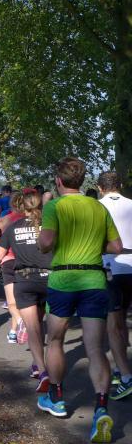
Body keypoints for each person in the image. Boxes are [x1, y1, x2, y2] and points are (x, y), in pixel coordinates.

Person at [38, 157, 122, 444]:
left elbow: (46, 243)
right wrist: (93, 243)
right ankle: (101, 410)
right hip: (94, 280)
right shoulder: (98, 207)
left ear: (58, 181)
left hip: (63, 280)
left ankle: (57, 398)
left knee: (56, 340)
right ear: (82, 180)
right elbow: (116, 246)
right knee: (95, 348)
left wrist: (47, 241)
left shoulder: (55, 206)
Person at [0, 190, 52, 392]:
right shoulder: (49, 225)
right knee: (44, 324)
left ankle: (41, 370)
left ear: (22, 207)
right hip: (49, 279)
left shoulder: (13, 227)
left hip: (25, 281)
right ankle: (39, 364)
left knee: (33, 327)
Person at [97, 171, 132, 400]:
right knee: (122, 323)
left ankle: (125, 376)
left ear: (100, 188)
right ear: (120, 185)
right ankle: (121, 368)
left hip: (112, 267)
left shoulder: (97, 207)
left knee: (114, 325)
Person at [0, 192, 26, 343]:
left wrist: (2, 240)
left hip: (9, 260)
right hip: (29, 261)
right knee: (23, 300)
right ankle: (13, 332)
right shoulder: (34, 219)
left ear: (11, 204)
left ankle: (22, 323)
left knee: (12, 302)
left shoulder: (5, 220)